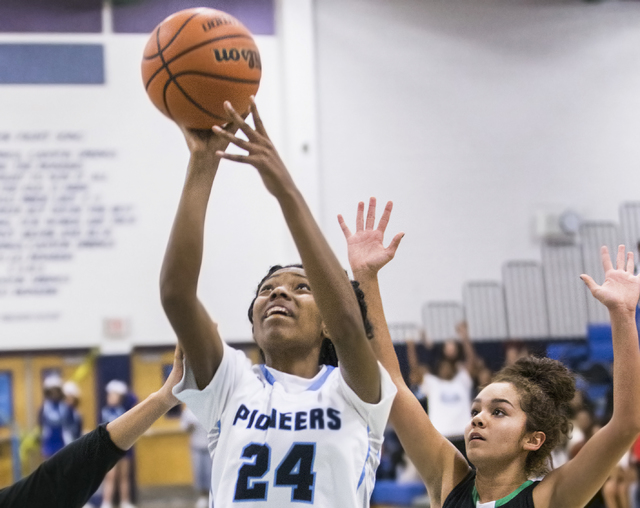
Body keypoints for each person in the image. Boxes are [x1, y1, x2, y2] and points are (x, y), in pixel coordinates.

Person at [160, 99, 396, 507]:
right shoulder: (231, 382)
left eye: (301, 288)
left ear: (326, 325)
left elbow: (348, 324)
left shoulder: (355, 389)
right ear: (253, 324)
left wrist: (285, 191)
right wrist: (202, 163)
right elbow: (176, 295)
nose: (279, 292)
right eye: (267, 289)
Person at [338, 198, 640, 508]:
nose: (478, 420)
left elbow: (626, 424)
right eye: (476, 411)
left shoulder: (549, 497)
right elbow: (394, 385)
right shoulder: (448, 479)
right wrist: (366, 279)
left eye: (498, 411)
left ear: (533, 439)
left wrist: (622, 314)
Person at [0, 346, 183, 508]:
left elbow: (79, 433)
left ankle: (120, 500)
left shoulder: (71, 411)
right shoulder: (49, 409)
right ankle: (106, 501)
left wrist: (161, 399)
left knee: (63, 479)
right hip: (51, 447)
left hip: (69, 447)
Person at [407, 320, 479, 458]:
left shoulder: (462, 380)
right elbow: (415, 370)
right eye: (443, 367)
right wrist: (411, 346)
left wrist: (465, 337)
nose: (446, 369)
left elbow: (472, 362)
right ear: (438, 369)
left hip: (463, 435)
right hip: (441, 437)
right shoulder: (432, 383)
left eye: (448, 366)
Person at [101, 379, 135, 508]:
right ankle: (106, 502)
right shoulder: (105, 411)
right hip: (110, 448)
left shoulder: (125, 408)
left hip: (125, 447)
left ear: (120, 397)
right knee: (110, 476)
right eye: (109, 395)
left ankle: (125, 501)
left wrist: (126, 391)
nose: (110, 397)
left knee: (124, 476)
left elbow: (134, 399)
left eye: (113, 394)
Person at [181, 407, 211, 508]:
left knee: (210, 472)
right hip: (196, 446)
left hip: (210, 447)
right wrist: (191, 426)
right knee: (199, 472)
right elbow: (184, 428)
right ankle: (202, 497)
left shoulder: (211, 408)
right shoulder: (188, 411)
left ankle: (211, 496)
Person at [39, 374, 70, 458]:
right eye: (51, 391)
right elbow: (41, 425)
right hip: (49, 442)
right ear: (47, 392)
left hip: (63, 441)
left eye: (56, 391)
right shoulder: (44, 408)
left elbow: (69, 424)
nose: (54, 394)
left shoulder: (64, 407)